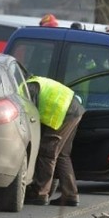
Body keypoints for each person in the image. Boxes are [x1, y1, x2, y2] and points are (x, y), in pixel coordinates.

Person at [24, 75, 85, 207]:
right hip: (74, 110)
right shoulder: (36, 81)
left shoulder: (26, 88)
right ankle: (70, 195)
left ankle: (40, 193)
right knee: (63, 154)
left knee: (48, 152)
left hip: (63, 112)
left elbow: (29, 115)